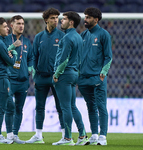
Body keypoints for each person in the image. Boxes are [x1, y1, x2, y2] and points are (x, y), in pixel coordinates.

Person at [25, 8, 65, 144]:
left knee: (61, 107)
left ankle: (65, 135)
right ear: (46, 20)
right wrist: (35, 75)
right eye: (53, 18)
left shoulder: (62, 35)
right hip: (41, 77)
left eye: (57, 18)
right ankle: (38, 135)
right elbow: (34, 57)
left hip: (56, 77)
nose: (56, 20)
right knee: (39, 107)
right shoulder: (38, 37)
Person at [52, 11, 89, 146]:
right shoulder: (78, 37)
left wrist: (56, 74)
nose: (61, 21)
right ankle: (82, 135)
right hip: (74, 73)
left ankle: (67, 138)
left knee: (65, 107)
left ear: (71, 22)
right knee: (72, 106)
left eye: (65, 19)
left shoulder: (67, 38)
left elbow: (64, 58)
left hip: (65, 74)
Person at [78, 7, 112, 145]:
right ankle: (94, 135)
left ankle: (103, 136)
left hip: (97, 77)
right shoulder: (83, 35)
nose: (85, 19)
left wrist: (103, 73)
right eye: (85, 17)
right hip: (83, 78)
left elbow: (108, 56)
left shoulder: (104, 34)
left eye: (88, 17)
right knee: (90, 107)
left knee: (101, 106)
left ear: (96, 19)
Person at [0, 17, 22, 144]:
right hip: (0, 78)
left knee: (10, 106)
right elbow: (12, 62)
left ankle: (8, 135)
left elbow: (4, 56)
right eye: (5, 26)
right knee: (1, 108)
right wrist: (14, 54)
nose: (8, 28)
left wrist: (10, 51)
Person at [5, 15, 33, 144]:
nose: (21, 26)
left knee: (19, 109)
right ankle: (0, 134)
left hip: (23, 81)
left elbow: (30, 58)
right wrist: (12, 46)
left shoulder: (27, 41)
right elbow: (1, 54)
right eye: (18, 23)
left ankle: (15, 135)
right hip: (9, 79)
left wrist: (30, 68)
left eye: (22, 23)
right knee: (7, 107)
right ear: (12, 25)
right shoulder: (5, 40)